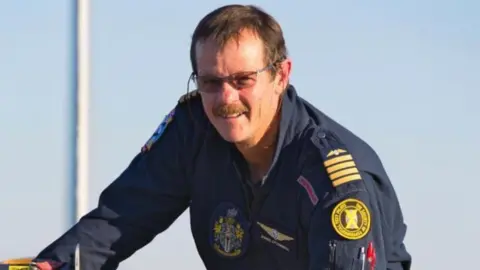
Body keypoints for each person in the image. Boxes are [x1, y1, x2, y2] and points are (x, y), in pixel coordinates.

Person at [32, 4, 412, 270]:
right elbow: (117, 223)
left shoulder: (335, 182)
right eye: (211, 82)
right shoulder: (193, 129)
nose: (226, 100)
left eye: (243, 80)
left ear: (281, 76)